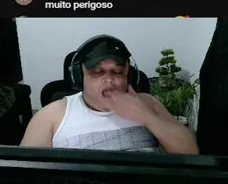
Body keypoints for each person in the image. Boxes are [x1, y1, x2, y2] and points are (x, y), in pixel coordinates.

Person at [20, 36, 198, 154]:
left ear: (129, 75)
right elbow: (26, 176)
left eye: (118, 72)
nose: (109, 80)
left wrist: (147, 116)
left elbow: (190, 152)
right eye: (97, 73)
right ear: (79, 77)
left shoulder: (147, 102)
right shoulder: (51, 115)